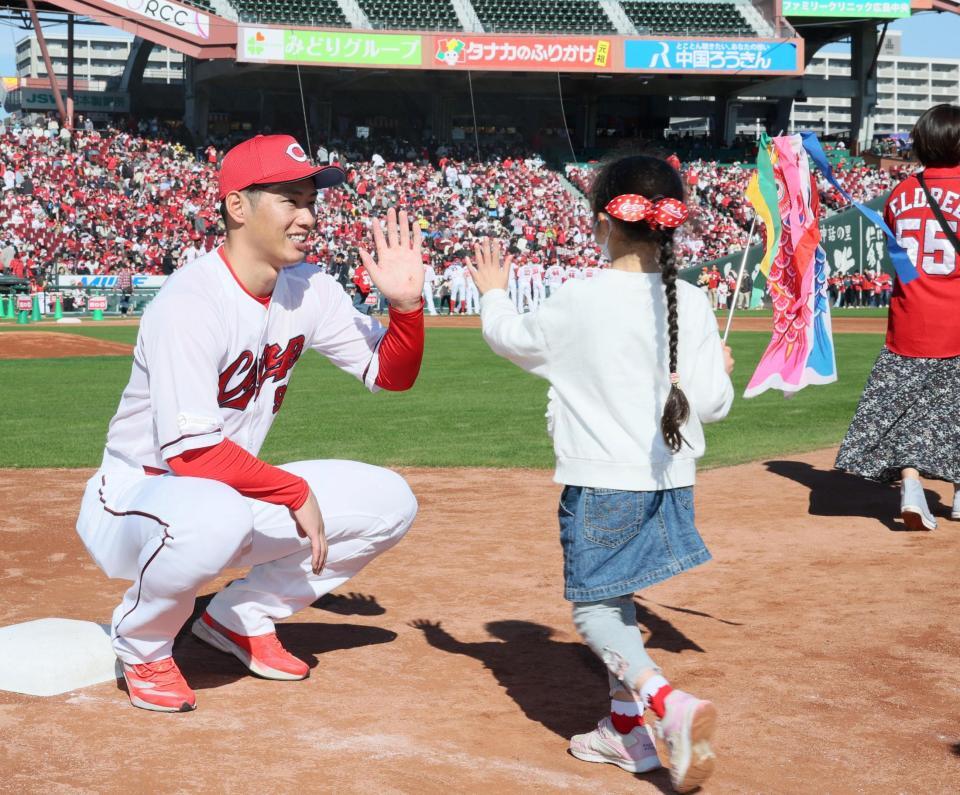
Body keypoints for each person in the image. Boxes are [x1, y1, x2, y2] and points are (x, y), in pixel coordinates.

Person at [74, 134, 425, 713]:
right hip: (137, 495)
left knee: (391, 500)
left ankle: (241, 615)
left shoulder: (309, 288)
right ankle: (142, 645)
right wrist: (292, 489)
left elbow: (389, 374)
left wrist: (406, 309)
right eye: (290, 199)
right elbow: (189, 456)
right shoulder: (190, 301)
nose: (308, 216)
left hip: (228, 490)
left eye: (311, 200)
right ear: (238, 206)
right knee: (214, 514)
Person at [468, 155, 734, 793]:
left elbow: (511, 338)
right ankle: (625, 731)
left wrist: (493, 291)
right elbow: (715, 404)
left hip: (603, 482)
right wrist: (719, 366)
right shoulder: (692, 300)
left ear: (601, 223)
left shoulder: (582, 297)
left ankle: (664, 700)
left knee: (593, 609)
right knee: (619, 598)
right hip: (670, 481)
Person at [835, 104, 960, 531]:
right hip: (957, 316)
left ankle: (910, 487)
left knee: (907, 408)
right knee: (952, 407)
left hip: (909, 318)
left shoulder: (901, 192)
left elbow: (899, 260)